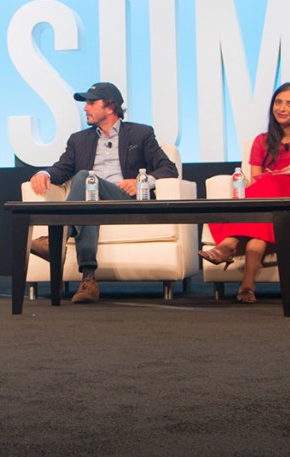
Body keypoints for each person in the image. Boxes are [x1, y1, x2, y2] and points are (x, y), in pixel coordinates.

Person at [28, 81, 178, 303]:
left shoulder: (141, 134)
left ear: (110, 107)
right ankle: (88, 280)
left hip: (124, 200)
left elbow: (169, 169)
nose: (85, 108)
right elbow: (61, 168)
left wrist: (141, 182)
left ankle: (56, 239)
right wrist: (45, 174)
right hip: (93, 202)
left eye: (91, 103)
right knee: (88, 201)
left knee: (83, 178)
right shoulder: (79, 140)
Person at [198, 82, 290, 304]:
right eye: (278, 102)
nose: (282, 108)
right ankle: (247, 285)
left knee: (275, 184)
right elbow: (256, 182)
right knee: (266, 197)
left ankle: (229, 243)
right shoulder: (261, 141)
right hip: (271, 203)